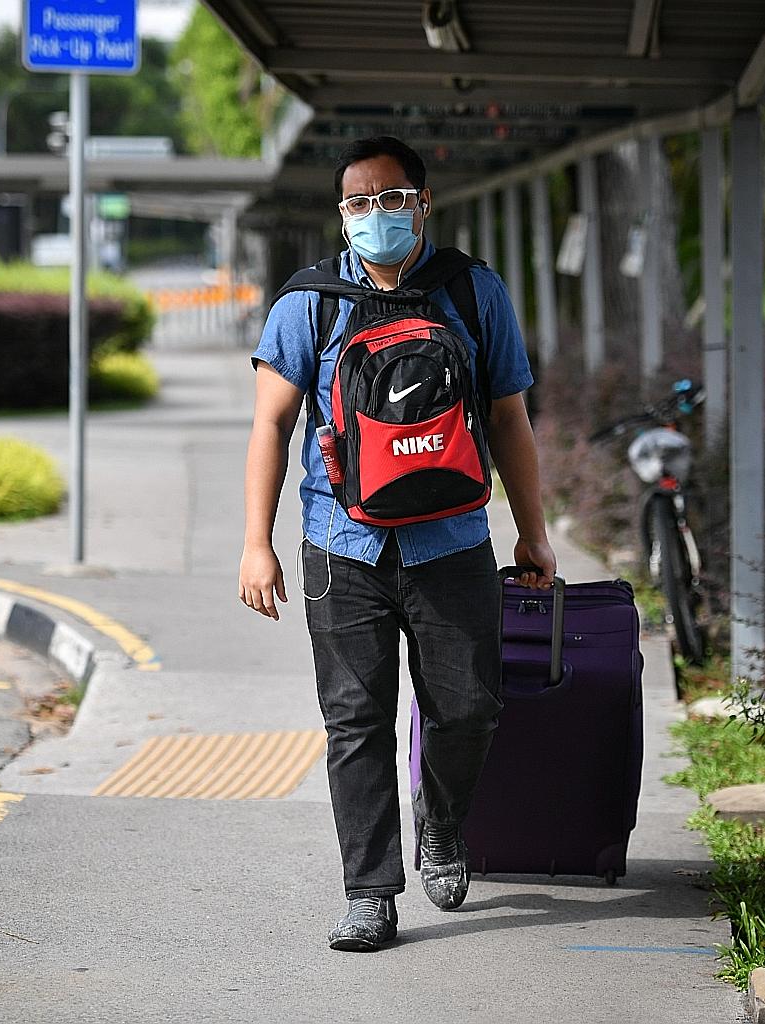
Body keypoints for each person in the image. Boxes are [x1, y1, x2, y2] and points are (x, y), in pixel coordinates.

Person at [239, 136, 557, 952]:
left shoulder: (472, 290)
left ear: (422, 203)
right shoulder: (309, 302)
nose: (374, 214)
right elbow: (272, 424)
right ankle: (369, 894)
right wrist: (256, 542)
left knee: (470, 710)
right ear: (341, 214)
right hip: (341, 543)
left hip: (451, 541)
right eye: (358, 202)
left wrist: (533, 533)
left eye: (391, 198)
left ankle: (441, 823)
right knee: (355, 721)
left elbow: (510, 419)